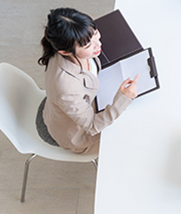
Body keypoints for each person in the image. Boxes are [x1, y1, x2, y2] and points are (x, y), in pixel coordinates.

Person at [36, 8, 139, 154]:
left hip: (84, 105)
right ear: (64, 52)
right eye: (88, 45)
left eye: (96, 34)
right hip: (78, 134)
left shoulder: (72, 42)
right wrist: (124, 99)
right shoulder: (66, 89)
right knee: (134, 134)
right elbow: (91, 126)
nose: (98, 45)